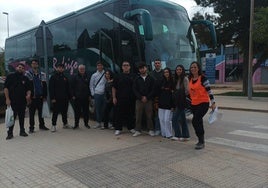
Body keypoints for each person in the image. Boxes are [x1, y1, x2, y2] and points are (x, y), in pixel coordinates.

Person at [188, 61, 216, 150]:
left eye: (195, 67)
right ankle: (201, 140)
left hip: (203, 103)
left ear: (198, 68)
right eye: (191, 67)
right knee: (198, 121)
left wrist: (213, 103)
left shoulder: (203, 78)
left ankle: (201, 141)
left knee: (195, 121)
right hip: (193, 104)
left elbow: (209, 91)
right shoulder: (190, 78)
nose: (193, 69)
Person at [4, 63, 31, 139]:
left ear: (24, 70)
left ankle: (22, 131)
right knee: (12, 118)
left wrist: (28, 95)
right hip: (12, 101)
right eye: (19, 67)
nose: (21, 69)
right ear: (16, 68)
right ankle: (10, 133)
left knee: (22, 117)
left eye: (22, 68)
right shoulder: (10, 76)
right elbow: (6, 88)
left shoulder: (25, 78)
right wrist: (7, 99)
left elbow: (28, 89)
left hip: (22, 102)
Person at [25, 59, 49, 133]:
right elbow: (26, 86)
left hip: (40, 97)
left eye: (35, 63)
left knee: (41, 113)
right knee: (31, 114)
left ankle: (42, 125)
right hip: (32, 98)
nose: (34, 65)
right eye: (33, 63)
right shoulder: (27, 74)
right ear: (31, 65)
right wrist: (28, 96)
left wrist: (44, 96)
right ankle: (31, 128)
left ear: (38, 65)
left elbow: (45, 86)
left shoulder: (42, 74)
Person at [112, 61, 136, 136]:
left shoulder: (133, 76)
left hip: (131, 99)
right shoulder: (117, 76)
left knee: (130, 114)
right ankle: (118, 129)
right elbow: (114, 87)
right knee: (119, 114)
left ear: (129, 67)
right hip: (120, 98)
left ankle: (131, 128)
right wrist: (114, 97)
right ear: (122, 67)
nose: (126, 66)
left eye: (127, 65)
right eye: (124, 65)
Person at [132, 62, 155, 137]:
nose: (142, 70)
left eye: (143, 68)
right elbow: (134, 89)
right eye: (140, 68)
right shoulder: (137, 79)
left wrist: (147, 97)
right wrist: (141, 97)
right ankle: (138, 130)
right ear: (139, 70)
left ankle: (150, 130)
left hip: (148, 100)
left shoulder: (151, 78)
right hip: (139, 100)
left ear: (146, 68)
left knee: (149, 115)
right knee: (138, 115)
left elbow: (153, 89)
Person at [49, 63, 70, 132]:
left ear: (63, 69)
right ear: (56, 68)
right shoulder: (53, 77)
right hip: (56, 99)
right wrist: (52, 98)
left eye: (62, 68)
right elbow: (51, 88)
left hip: (65, 98)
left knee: (64, 112)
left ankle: (65, 124)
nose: (60, 69)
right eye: (59, 67)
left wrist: (69, 97)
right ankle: (53, 125)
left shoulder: (65, 77)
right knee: (55, 112)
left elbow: (67, 88)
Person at [172, 65, 190, 141]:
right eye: (177, 70)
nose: (178, 71)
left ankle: (177, 135)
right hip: (177, 102)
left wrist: (180, 94)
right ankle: (186, 136)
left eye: (180, 69)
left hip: (182, 102)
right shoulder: (176, 79)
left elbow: (187, 91)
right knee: (183, 119)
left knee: (174, 119)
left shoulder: (185, 79)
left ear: (182, 70)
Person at [70, 64, 91, 129]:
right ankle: (76, 124)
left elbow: (89, 87)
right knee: (77, 112)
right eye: (80, 69)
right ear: (78, 70)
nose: (82, 70)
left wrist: (89, 95)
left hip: (85, 97)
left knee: (86, 112)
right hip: (77, 97)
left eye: (83, 69)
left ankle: (86, 124)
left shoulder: (87, 76)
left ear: (84, 69)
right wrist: (73, 95)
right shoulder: (75, 76)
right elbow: (71, 87)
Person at [157, 67, 174, 138]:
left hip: (169, 104)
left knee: (167, 120)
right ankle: (164, 133)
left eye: (167, 72)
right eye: (165, 72)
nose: (166, 73)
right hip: (161, 104)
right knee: (161, 119)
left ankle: (169, 134)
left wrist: (173, 105)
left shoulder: (173, 82)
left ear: (169, 73)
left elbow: (174, 95)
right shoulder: (161, 81)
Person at [89, 61, 106, 128]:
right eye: (98, 65)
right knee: (98, 109)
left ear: (102, 66)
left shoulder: (106, 74)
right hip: (97, 94)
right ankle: (98, 122)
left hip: (104, 94)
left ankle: (104, 122)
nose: (99, 67)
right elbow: (91, 85)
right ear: (96, 67)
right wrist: (93, 93)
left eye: (101, 65)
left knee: (104, 109)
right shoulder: (94, 75)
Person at [150, 59, 163, 136]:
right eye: (156, 63)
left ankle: (164, 129)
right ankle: (157, 129)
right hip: (154, 97)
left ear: (161, 64)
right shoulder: (151, 74)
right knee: (156, 114)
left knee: (164, 114)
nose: (157, 64)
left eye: (158, 63)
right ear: (154, 65)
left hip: (164, 96)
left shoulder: (164, 73)